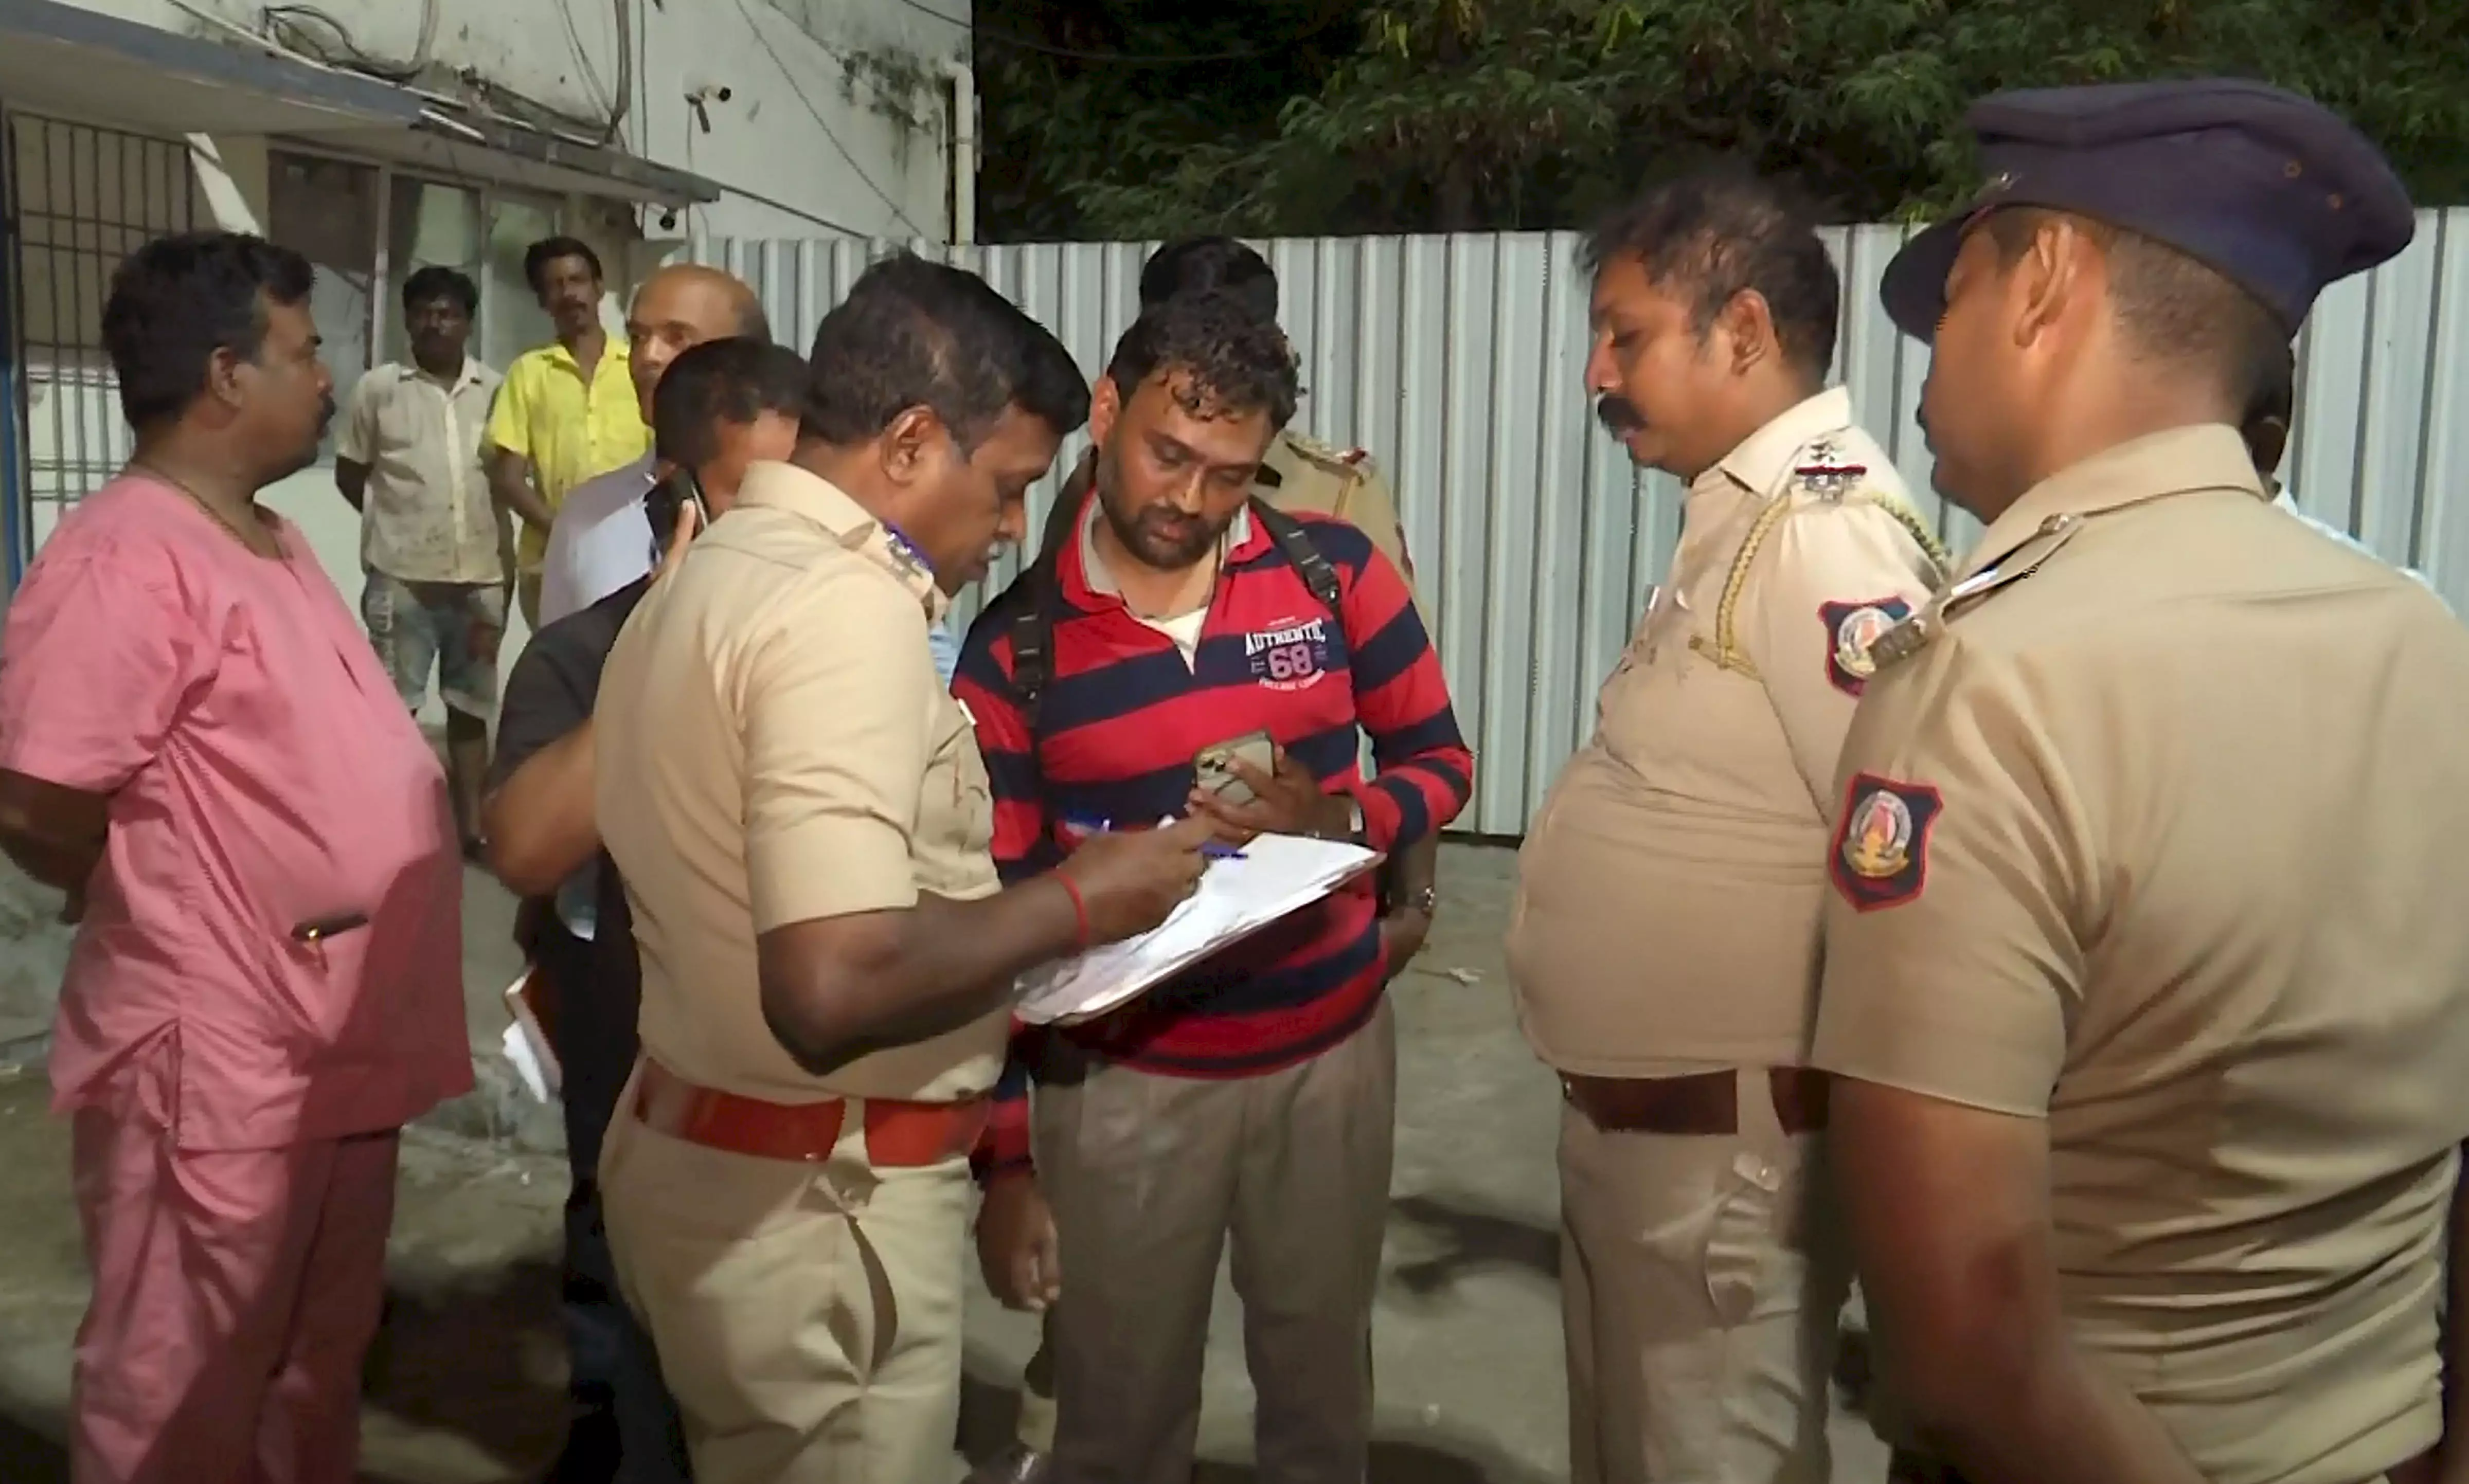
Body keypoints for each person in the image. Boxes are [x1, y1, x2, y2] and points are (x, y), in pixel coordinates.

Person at [1812, 79, 2469, 1484]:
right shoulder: (2420, 635)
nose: (1925, 365)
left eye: (1954, 302)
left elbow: (1967, 1353)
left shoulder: (1991, 685)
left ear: (2044, 279)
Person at [590, 251, 1221, 1484]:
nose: (1004, 532)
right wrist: (1086, 898)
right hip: (815, 1207)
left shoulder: (709, 570)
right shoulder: (843, 608)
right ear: (911, 440)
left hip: (722, 1169)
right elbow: (829, 983)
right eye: (1003, 489)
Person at [956, 288, 1474, 1484]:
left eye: (1227, 474)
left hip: (1329, 1069)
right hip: (1123, 1093)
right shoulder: (1014, 653)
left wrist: (1337, 818)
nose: (1186, 499)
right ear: (1104, 408)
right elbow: (993, 930)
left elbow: (1439, 762)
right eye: (1165, 453)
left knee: (1318, 1402)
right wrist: (1005, 1163)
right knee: (1117, 1420)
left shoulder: (1335, 576)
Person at [1495, 166, 1944, 1484]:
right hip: (1651, 1147)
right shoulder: (1738, 524)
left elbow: (1917, 873)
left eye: (1624, 336)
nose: (1595, 373)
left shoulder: (1822, 543)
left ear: (1738, 332)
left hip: (1721, 1172)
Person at [0, 230, 472, 1484]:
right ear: (225, 374)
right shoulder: (120, 558)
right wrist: (190, 910)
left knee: (310, 1366)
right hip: (220, 1062)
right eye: (304, 353)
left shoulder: (272, 537)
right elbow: (42, 798)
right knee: (180, 1384)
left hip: (334, 1046)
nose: (326, 381)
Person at [487, 335, 810, 1484]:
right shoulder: (585, 655)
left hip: (792, 1079)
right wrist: (662, 646)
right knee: (638, 1338)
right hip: (633, 1059)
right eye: (746, 501)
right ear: (672, 496)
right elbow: (527, 847)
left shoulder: (840, 643)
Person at [334, 264, 505, 857]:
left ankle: (472, 831)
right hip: (402, 579)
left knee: (470, 710)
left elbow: (508, 475)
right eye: (425, 312)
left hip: (480, 577)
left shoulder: (498, 390)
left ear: (467, 323)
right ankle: (396, 832)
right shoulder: (378, 390)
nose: (436, 323)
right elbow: (351, 473)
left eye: (449, 313)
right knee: (394, 713)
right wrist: (395, 526)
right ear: (407, 319)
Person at [536, 264, 771, 628]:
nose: (649, 357)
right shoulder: (585, 515)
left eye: (678, 338)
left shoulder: (798, 510)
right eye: (638, 338)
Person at [485, 235, 652, 627]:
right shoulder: (528, 373)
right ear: (543, 301)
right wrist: (567, 532)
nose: (568, 293)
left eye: (577, 281)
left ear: (599, 288)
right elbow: (507, 477)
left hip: (634, 560)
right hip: (552, 565)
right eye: (555, 285)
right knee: (565, 678)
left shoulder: (638, 367)